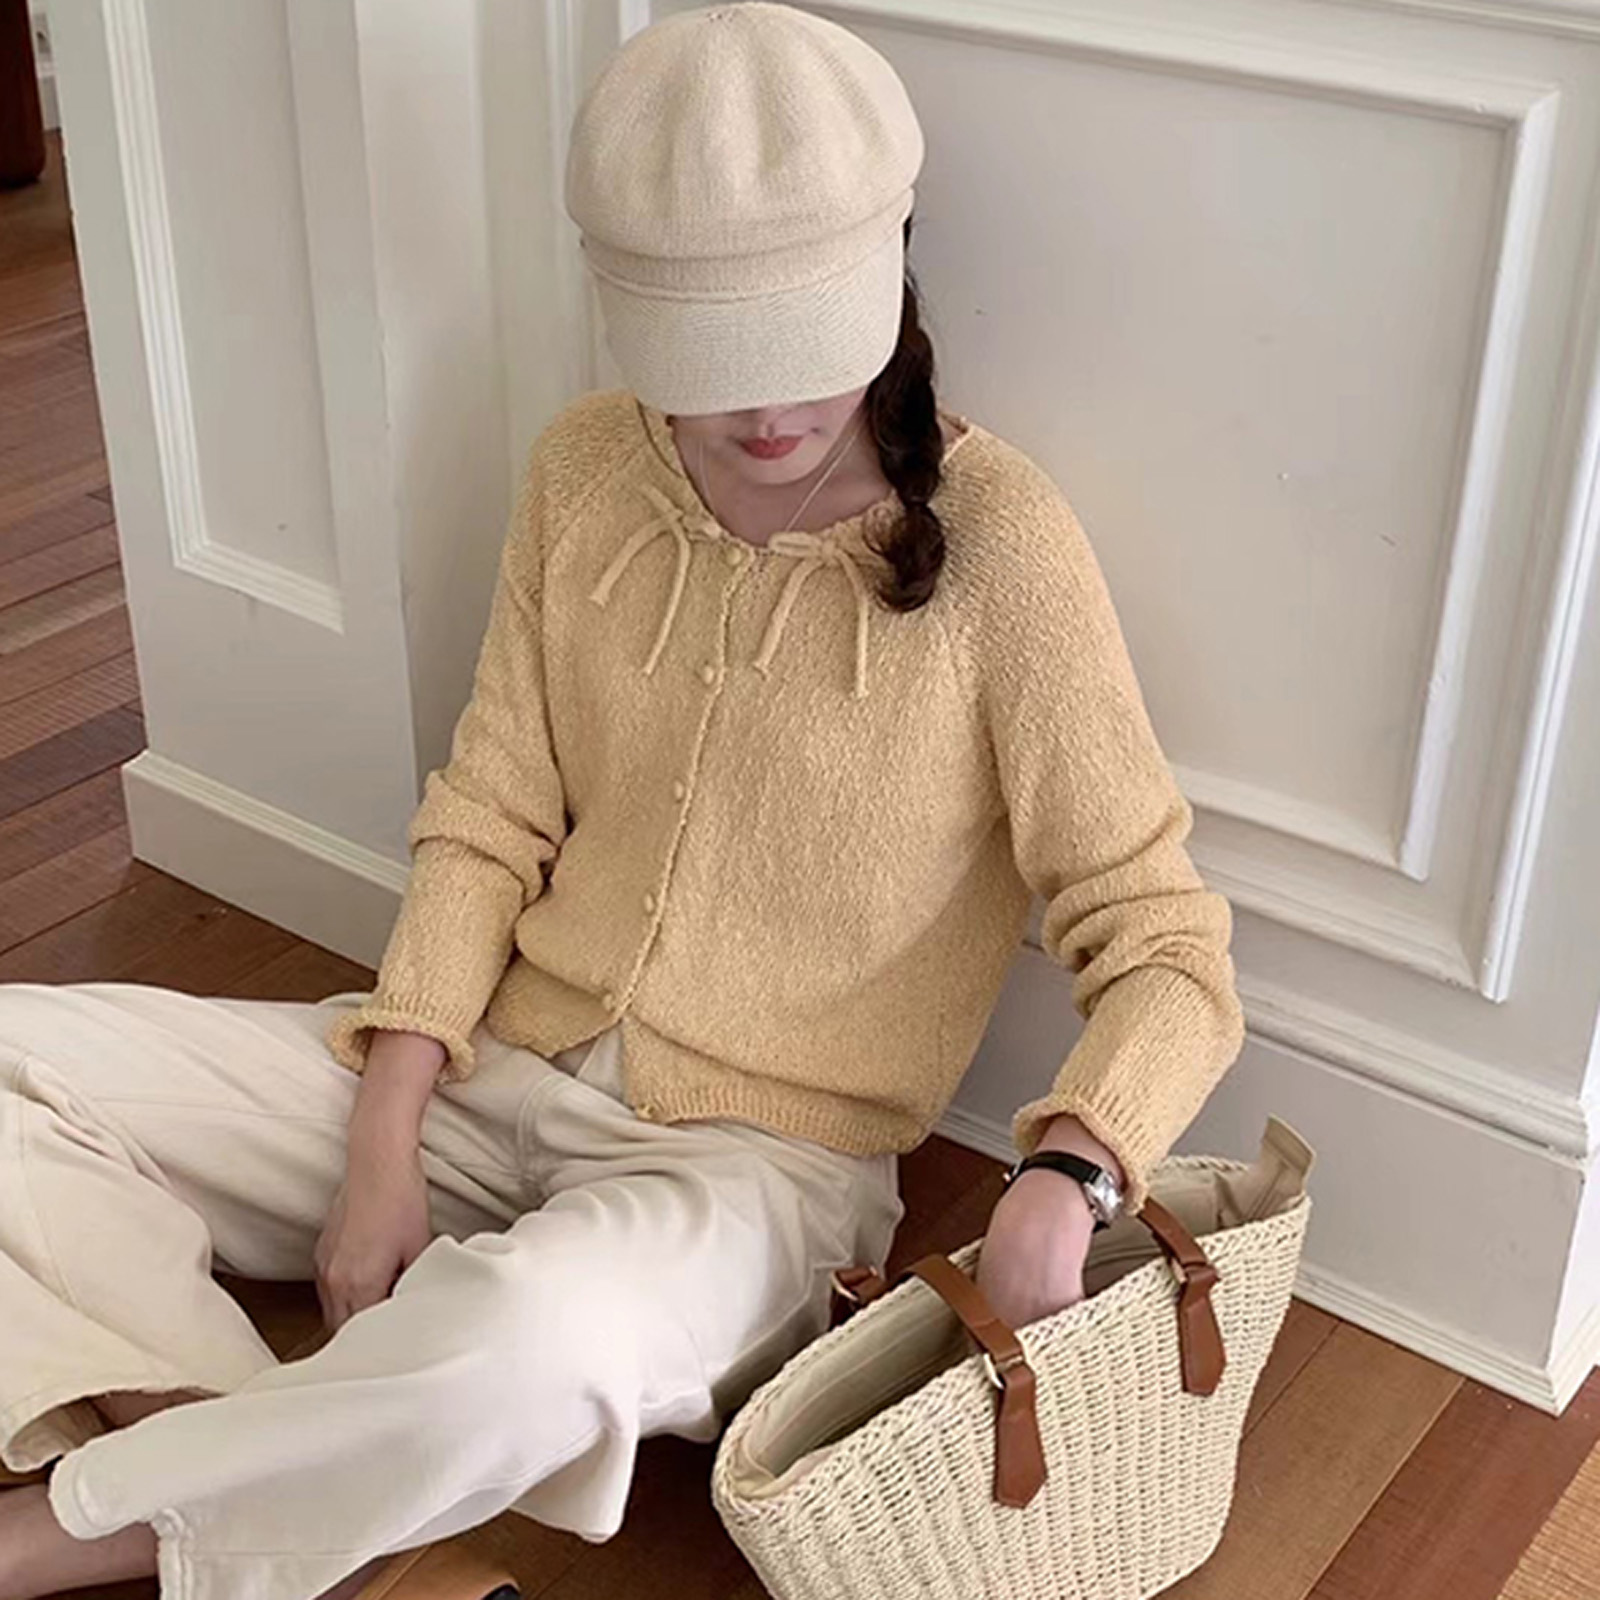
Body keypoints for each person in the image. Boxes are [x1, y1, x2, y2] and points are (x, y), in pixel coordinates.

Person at [0, 5, 1244, 1598]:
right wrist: (385, 1133)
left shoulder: (1002, 548)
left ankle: (62, 1535)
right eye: (715, 363)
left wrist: (1070, 1176)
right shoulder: (585, 472)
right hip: (490, 1069)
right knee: (16, 1063)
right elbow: (492, 813)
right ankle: (267, 1480)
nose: (770, 413)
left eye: (806, 343)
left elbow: (1167, 947)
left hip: (753, 1180)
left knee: (535, 1343)